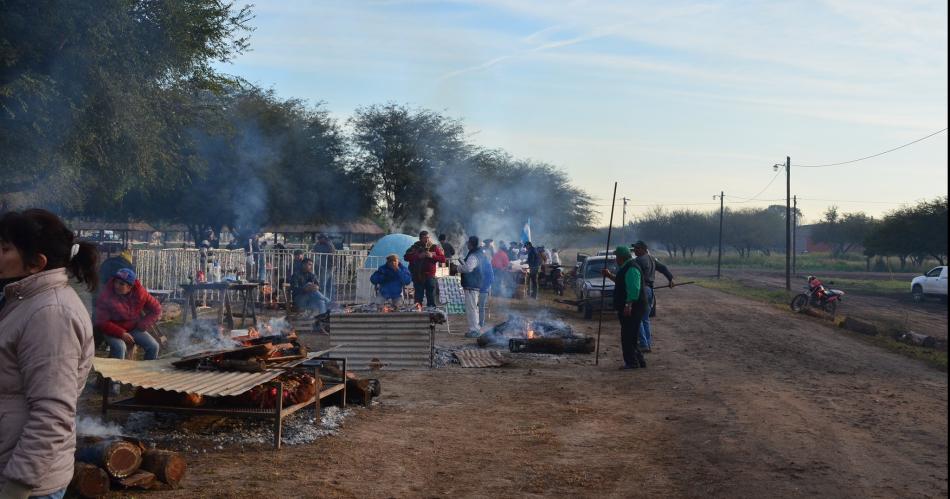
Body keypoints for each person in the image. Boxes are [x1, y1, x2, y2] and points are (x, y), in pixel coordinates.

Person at [0, 209, 98, 499]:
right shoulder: (21, 301)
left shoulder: (50, 314)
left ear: (36, 263)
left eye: (5, 249)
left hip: (25, 484)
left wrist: (17, 487)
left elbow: (53, 413)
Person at [95, 268, 162, 360]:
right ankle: (116, 374)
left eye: (121, 284)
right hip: (111, 329)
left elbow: (157, 309)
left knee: (154, 346)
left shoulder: (140, 293)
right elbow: (102, 322)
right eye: (116, 282)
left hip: (133, 328)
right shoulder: (106, 295)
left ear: (130, 287)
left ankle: (147, 372)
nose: (116, 286)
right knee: (120, 347)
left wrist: (142, 325)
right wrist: (121, 333)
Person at [601, 246, 648, 370]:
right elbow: (622, 282)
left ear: (621, 257)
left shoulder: (631, 268)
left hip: (633, 307)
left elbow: (634, 289)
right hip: (633, 306)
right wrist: (609, 275)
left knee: (627, 335)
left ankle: (632, 363)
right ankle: (639, 360)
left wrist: (628, 304)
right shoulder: (626, 267)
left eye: (617, 256)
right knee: (632, 335)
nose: (616, 259)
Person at [631, 241, 674, 353]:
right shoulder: (652, 259)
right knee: (645, 319)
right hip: (650, 290)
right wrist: (670, 279)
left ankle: (644, 344)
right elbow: (663, 268)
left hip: (642, 290)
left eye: (637, 248)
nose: (635, 250)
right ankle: (647, 344)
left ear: (644, 249)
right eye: (634, 248)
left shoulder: (638, 261)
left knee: (637, 318)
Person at [456, 236, 493, 337]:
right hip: (475, 283)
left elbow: (468, 268)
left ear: (471, 244)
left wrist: (458, 268)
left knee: (471, 308)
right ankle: (475, 328)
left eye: (468, 243)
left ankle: (474, 330)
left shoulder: (473, 255)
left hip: (472, 284)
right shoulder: (479, 253)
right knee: (473, 308)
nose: (467, 244)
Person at [404, 231, 446, 307]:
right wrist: (418, 256)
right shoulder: (415, 247)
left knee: (430, 294)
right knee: (418, 295)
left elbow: (443, 259)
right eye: (424, 238)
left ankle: (431, 310)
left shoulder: (434, 247)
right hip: (418, 275)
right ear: (420, 238)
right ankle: (418, 311)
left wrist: (432, 256)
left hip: (430, 275)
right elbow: (406, 257)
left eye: (427, 237)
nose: (426, 240)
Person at [311, 234, 336, 299]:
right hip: (321, 266)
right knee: (323, 283)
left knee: (327, 284)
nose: (319, 240)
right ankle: (325, 298)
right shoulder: (317, 245)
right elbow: (314, 254)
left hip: (327, 267)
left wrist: (333, 265)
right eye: (319, 238)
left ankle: (327, 298)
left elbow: (332, 255)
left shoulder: (329, 245)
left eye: (321, 238)